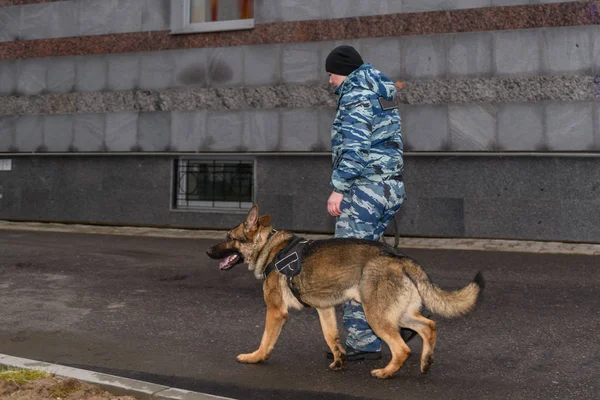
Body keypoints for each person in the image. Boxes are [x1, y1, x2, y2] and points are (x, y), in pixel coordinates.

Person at [324, 45, 413, 361]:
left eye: (332, 74)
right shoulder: (383, 91)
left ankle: (363, 341)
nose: (331, 81)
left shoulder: (356, 96)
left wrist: (339, 188)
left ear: (342, 71)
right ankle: (400, 320)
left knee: (352, 267)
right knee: (377, 264)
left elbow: (356, 149)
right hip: (388, 188)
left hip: (364, 192)